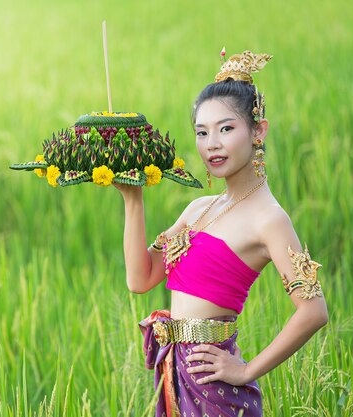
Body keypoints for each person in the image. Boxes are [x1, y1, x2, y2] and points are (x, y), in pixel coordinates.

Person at [115, 51, 329, 417]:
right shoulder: (198, 209)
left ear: (258, 130)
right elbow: (140, 278)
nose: (211, 143)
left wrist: (245, 370)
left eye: (226, 128)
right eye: (202, 132)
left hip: (217, 387)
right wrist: (133, 199)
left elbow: (314, 312)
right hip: (174, 374)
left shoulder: (269, 219)